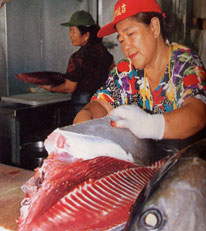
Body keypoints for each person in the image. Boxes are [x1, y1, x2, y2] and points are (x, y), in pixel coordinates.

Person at [73, 0, 206, 142]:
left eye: (130, 34)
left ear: (154, 27)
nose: (126, 47)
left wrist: (149, 125)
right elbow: (102, 104)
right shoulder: (126, 70)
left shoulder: (184, 62)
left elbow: (197, 114)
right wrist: (86, 117)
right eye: (121, 40)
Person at [41, 10, 114, 116]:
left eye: (73, 31)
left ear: (86, 35)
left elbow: (69, 87)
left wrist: (51, 88)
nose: (70, 35)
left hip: (82, 106)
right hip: (102, 104)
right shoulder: (105, 53)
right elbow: (112, 72)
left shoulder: (78, 57)